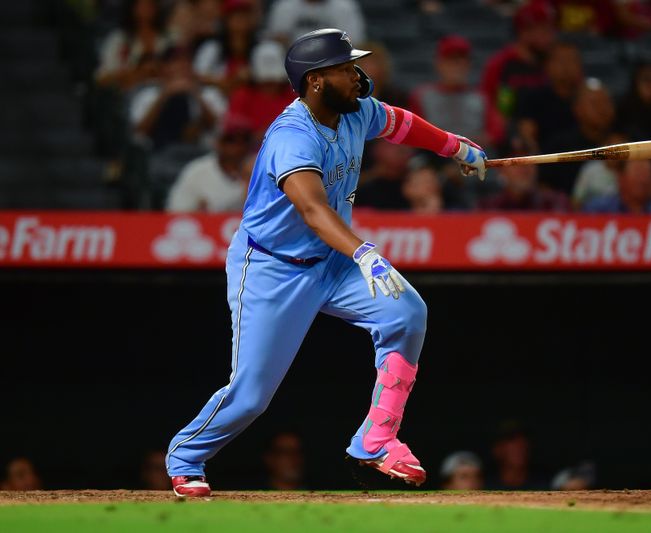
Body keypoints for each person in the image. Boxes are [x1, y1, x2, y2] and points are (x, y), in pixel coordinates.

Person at [166, 28, 487, 497]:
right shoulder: (291, 137)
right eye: (345, 68)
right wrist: (364, 251)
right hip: (275, 268)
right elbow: (314, 212)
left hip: (332, 263)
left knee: (407, 312)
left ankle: (376, 439)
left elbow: (401, 123)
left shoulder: (356, 112)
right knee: (251, 395)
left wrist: (453, 146)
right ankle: (187, 454)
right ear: (316, 80)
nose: (359, 76)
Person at [410, 36, 504, 150]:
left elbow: (496, 133)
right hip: (434, 159)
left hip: (474, 158)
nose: (456, 65)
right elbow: (414, 135)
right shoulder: (422, 97)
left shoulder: (481, 99)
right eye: (451, 59)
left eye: (461, 60)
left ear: (468, 64)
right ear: (439, 63)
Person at [130, 45, 227, 152]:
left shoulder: (209, 93)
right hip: (157, 156)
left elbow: (220, 129)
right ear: (163, 67)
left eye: (187, 61)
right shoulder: (148, 94)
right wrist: (164, 95)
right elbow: (139, 133)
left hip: (200, 154)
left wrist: (195, 94)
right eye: (176, 61)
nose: (182, 66)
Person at [539, 78, 617, 194]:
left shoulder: (623, 144)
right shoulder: (559, 147)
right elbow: (543, 187)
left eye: (606, 102)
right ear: (577, 109)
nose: (602, 109)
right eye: (595, 103)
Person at [481, 1, 555, 118]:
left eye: (550, 29)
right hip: (510, 130)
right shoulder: (501, 63)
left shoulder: (552, 61)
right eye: (543, 30)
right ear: (524, 32)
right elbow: (489, 106)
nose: (550, 36)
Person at [166, 114, 254, 212]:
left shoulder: (258, 169)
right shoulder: (197, 171)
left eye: (244, 139)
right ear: (217, 142)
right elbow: (175, 211)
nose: (237, 146)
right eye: (230, 139)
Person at [514, 41, 584, 152]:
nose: (567, 66)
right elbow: (528, 138)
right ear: (547, 66)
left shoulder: (589, 99)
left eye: (572, 60)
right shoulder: (533, 100)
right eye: (561, 61)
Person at [95, 0, 171, 90]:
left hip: (165, 92)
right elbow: (102, 78)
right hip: (127, 94)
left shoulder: (168, 38)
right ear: (133, 8)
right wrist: (138, 73)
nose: (146, 9)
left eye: (150, 4)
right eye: (142, 5)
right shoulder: (119, 39)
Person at [227, 41, 296, 137]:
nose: (270, 84)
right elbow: (233, 133)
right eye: (265, 82)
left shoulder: (295, 98)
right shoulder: (242, 97)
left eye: (273, 81)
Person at [193, 0, 259, 94]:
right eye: (235, 16)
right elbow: (198, 75)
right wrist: (224, 81)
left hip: (249, 98)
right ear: (226, 20)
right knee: (209, 94)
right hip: (219, 96)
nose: (240, 21)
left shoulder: (259, 48)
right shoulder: (212, 46)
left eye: (244, 16)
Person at [479, 150, 571, 211]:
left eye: (530, 160)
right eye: (515, 163)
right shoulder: (488, 208)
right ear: (501, 170)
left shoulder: (556, 204)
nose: (524, 169)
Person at [583, 159, 651, 213]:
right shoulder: (597, 210)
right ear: (621, 177)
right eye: (638, 173)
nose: (643, 180)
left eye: (647, 173)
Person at [266, 0, 366, 46]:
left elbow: (354, 42)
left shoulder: (344, 6)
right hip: (292, 60)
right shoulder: (284, 6)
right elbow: (275, 42)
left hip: (332, 61)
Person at [486, 420, 548, 490]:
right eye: (512, 440)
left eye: (524, 440)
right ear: (497, 449)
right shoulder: (482, 485)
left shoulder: (545, 484)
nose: (520, 446)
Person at [572, 132, 627, 208]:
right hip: (591, 214)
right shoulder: (590, 169)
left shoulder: (628, 171)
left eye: (619, 150)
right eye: (611, 148)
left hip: (618, 215)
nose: (615, 153)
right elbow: (576, 200)